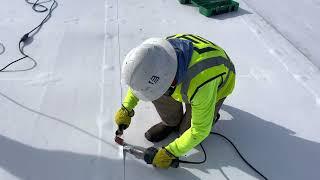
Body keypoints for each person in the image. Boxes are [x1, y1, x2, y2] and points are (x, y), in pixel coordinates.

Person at [114, 34, 236, 168]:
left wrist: (170, 152)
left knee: (186, 132)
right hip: (183, 79)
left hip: (215, 82)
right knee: (156, 93)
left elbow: (200, 130)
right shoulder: (157, 56)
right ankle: (171, 122)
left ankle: (211, 114)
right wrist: (126, 108)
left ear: (169, 79)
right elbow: (142, 82)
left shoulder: (202, 83)